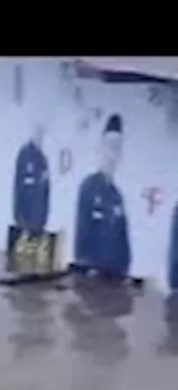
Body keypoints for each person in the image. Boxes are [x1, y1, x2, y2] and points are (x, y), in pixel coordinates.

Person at [73, 114, 131, 279]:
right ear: (101, 148)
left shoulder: (117, 195)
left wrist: (125, 271)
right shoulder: (89, 187)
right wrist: (84, 268)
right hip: (92, 277)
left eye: (117, 148)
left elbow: (123, 241)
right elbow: (82, 232)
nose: (112, 154)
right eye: (110, 146)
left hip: (114, 277)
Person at [12, 123, 50, 234]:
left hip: (39, 221)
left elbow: (45, 192)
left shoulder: (42, 159)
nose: (40, 138)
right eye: (38, 134)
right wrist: (18, 215)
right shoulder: (25, 155)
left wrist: (44, 218)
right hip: (25, 219)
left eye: (42, 135)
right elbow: (19, 186)